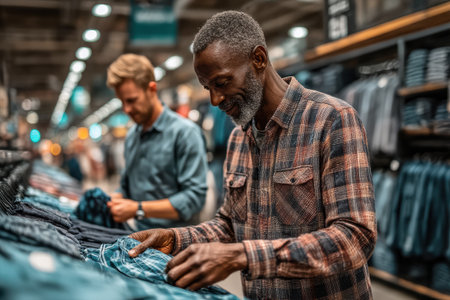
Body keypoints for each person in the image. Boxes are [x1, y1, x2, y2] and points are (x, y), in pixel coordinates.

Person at [128, 11, 376, 299]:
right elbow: (230, 225)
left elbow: (355, 239)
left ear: (259, 59)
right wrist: (175, 239)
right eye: (208, 88)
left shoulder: (331, 121)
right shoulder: (238, 138)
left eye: (221, 83)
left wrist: (244, 256)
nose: (215, 100)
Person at [105, 54, 208, 230]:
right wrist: (116, 199)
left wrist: (138, 209)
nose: (127, 109)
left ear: (152, 89)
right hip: (139, 238)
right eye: (122, 102)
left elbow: (193, 199)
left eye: (131, 100)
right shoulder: (132, 137)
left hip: (178, 244)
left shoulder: (184, 133)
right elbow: (126, 187)